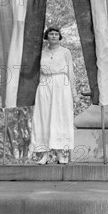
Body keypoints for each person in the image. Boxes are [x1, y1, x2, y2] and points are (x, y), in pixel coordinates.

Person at [31, 27, 79, 164]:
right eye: (51, 34)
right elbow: (37, 73)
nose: (53, 36)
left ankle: (60, 153)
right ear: (47, 36)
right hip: (45, 84)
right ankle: (44, 154)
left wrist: (74, 93)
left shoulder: (65, 52)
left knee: (60, 118)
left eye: (56, 34)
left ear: (59, 37)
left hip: (61, 85)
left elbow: (70, 72)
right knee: (43, 118)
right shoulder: (41, 53)